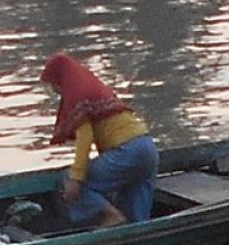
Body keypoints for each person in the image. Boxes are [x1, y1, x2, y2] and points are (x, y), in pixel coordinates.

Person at [40, 52, 158, 228]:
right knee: (135, 218)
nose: (54, 90)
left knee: (73, 184)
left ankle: (111, 216)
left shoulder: (77, 94)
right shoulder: (95, 87)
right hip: (146, 146)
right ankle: (137, 238)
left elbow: (84, 139)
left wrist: (76, 178)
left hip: (126, 151)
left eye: (52, 85)